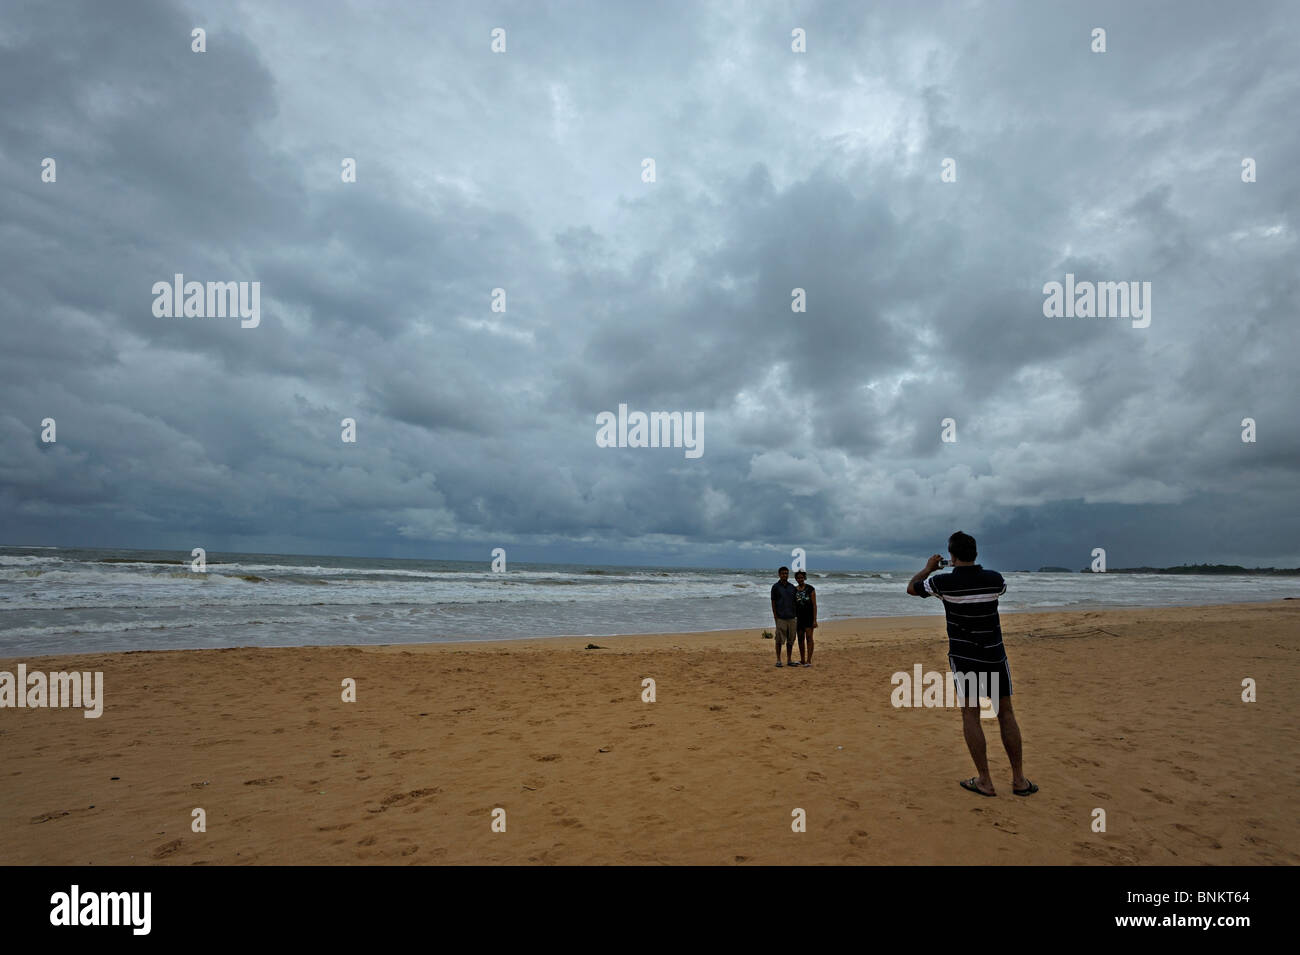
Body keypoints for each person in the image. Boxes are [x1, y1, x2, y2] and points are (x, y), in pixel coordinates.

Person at [906, 531, 1036, 797]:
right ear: (975, 553)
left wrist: (927, 568)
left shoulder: (943, 583)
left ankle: (985, 780)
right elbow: (999, 591)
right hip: (994, 655)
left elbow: (912, 587)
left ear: (951, 556)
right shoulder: (994, 580)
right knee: (1006, 713)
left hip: (965, 659)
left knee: (971, 714)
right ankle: (1019, 780)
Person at [770, 566, 798, 667]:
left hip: (792, 617)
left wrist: (796, 616)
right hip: (781, 617)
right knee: (779, 640)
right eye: (782, 573)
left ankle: (789, 660)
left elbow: (796, 602)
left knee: (790, 640)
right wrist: (775, 616)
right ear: (779, 574)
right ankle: (778, 660)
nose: (784, 575)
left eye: (786, 573)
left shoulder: (792, 587)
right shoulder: (775, 587)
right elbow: (773, 602)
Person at [793, 570, 817, 666]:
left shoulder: (810, 589)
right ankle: (802, 660)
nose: (800, 579)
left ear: (804, 578)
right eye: (798, 578)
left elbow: (814, 605)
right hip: (798, 618)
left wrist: (815, 620)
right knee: (800, 639)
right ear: (796, 579)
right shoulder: (794, 590)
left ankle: (809, 660)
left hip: (809, 617)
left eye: (802, 577)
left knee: (809, 638)